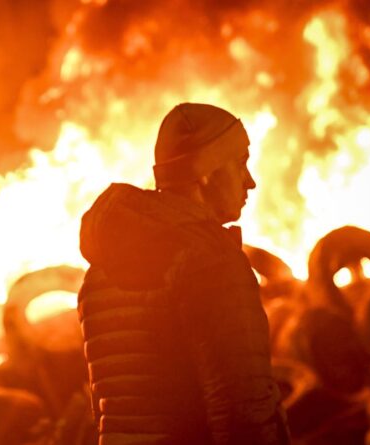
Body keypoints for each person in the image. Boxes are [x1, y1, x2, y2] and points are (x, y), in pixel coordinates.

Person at [77, 103, 290, 445]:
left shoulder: (99, 274)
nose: (250, 182)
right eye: (239, 164)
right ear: (205, 172)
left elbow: (106, 412)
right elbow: (242, 409)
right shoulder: (213, 262)